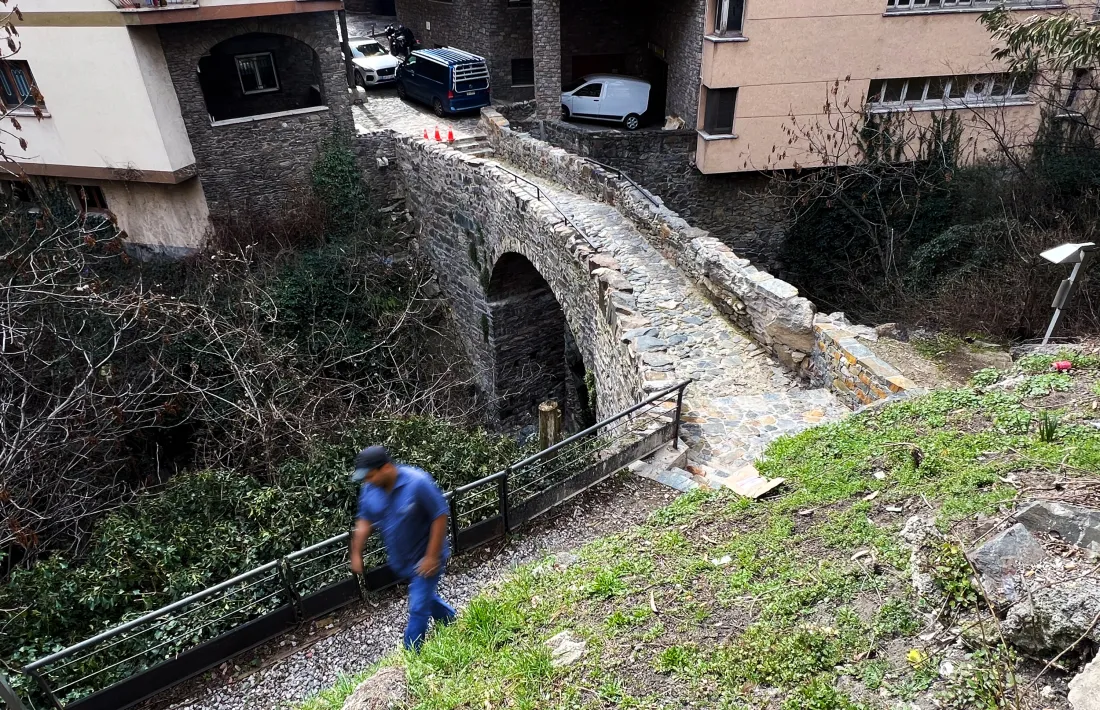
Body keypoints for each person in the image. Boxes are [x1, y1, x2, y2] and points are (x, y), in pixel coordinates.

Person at [348, 446, 456, 651]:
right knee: (425, 598)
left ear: (386, 468)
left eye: (370, 476)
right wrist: (356, 552)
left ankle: (410, 656)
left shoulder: (418, 483)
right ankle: (450, 620)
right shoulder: (370, 489)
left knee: (417, 606)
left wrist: (432, 556)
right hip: (402, 560)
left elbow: (440, 515)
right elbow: (364, 520)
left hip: (427, 558)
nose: (367, 481)